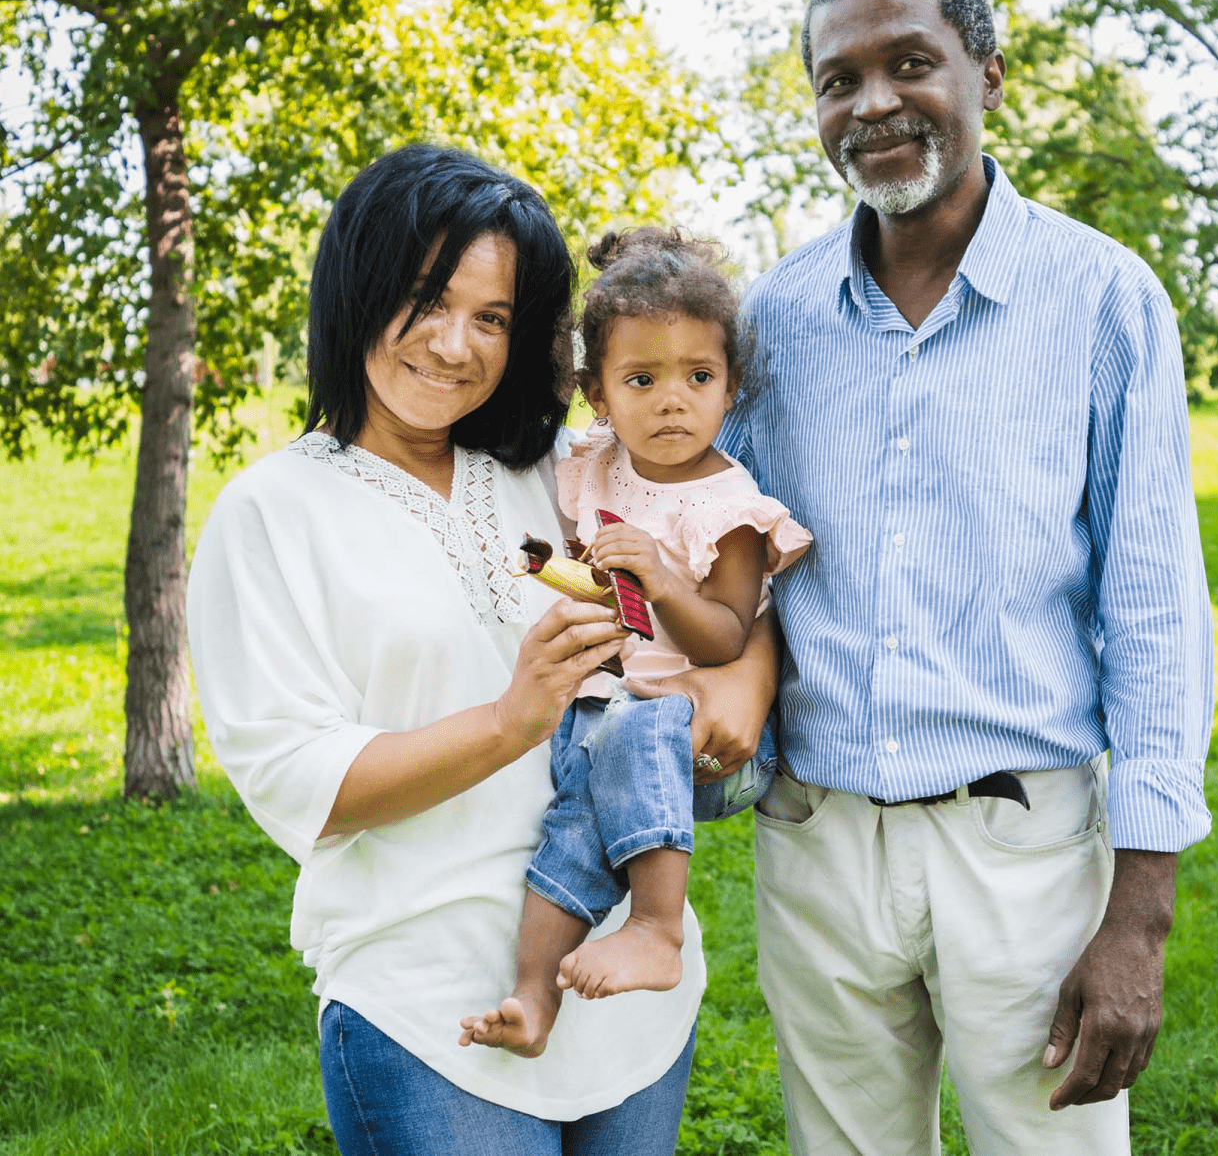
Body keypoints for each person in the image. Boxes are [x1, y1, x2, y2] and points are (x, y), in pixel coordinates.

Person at [721, 0, 1215, 1154]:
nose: (873, 103)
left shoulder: (1103, 300)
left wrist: (1138, 915)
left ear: (988, 75)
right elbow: (732, 575)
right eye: (839, 81)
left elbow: (1153, 606)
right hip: (815, 839)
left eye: (909, 63)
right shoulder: (770, 322)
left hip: (1026, 851)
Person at [186, 146, 776, 1155]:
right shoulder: (272, 512)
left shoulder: (563, 468)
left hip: (628, 1007)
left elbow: (726, 565)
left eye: (494, 317)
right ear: (355, 286)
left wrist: (749, 681)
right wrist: (512, 719)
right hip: (429, 1012)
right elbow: (301, 781)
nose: (455, 344)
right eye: (425, 298)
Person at [459, 228, 811, 1056]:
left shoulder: (732, 507)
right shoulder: (598, 470)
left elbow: (725, 638)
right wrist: (550, 565)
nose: (671, 401)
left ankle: (657, 927)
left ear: (732, 389)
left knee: (638, 724)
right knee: (571, 835)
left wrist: (661, 578)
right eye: (641, 380)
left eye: (698, 377)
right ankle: (532, 1000)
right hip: (609, 717)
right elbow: (593, 575)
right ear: (597, 393)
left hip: (700, 736)